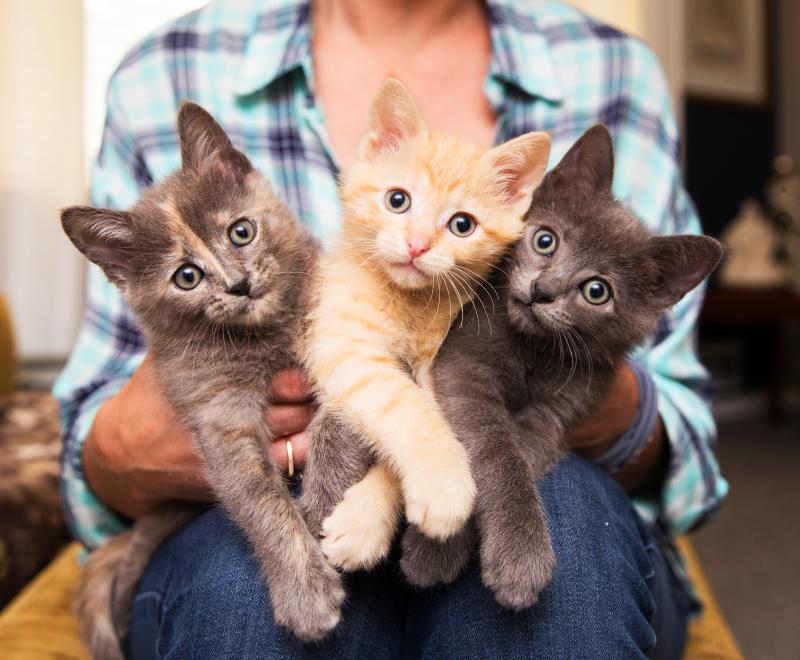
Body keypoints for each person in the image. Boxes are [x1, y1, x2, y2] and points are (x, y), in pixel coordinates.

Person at [54, 1, 727, 657]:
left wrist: (587, 395)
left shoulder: (612, 67)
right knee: (246, 592)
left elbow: (692, 449)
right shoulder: (166, 67)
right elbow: (91, 455)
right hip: (251, 501)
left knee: (557, 535)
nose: (415, 240)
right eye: (400, 202)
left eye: (460, 225)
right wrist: (122, 448)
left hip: (537, 472)